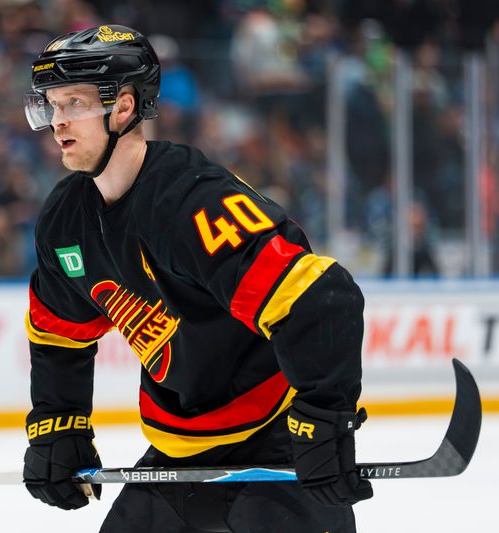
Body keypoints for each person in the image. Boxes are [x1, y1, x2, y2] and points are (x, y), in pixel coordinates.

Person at [20, 25, 372, 533]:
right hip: (176, 448)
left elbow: (319, 299)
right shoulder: (65, 220)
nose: (57, 121)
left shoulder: (192, 201)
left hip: (272, 437)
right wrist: (59, 425)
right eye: (52, 105)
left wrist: (323, 418)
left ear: (123, 107)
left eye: (73, 102)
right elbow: (57, 331)